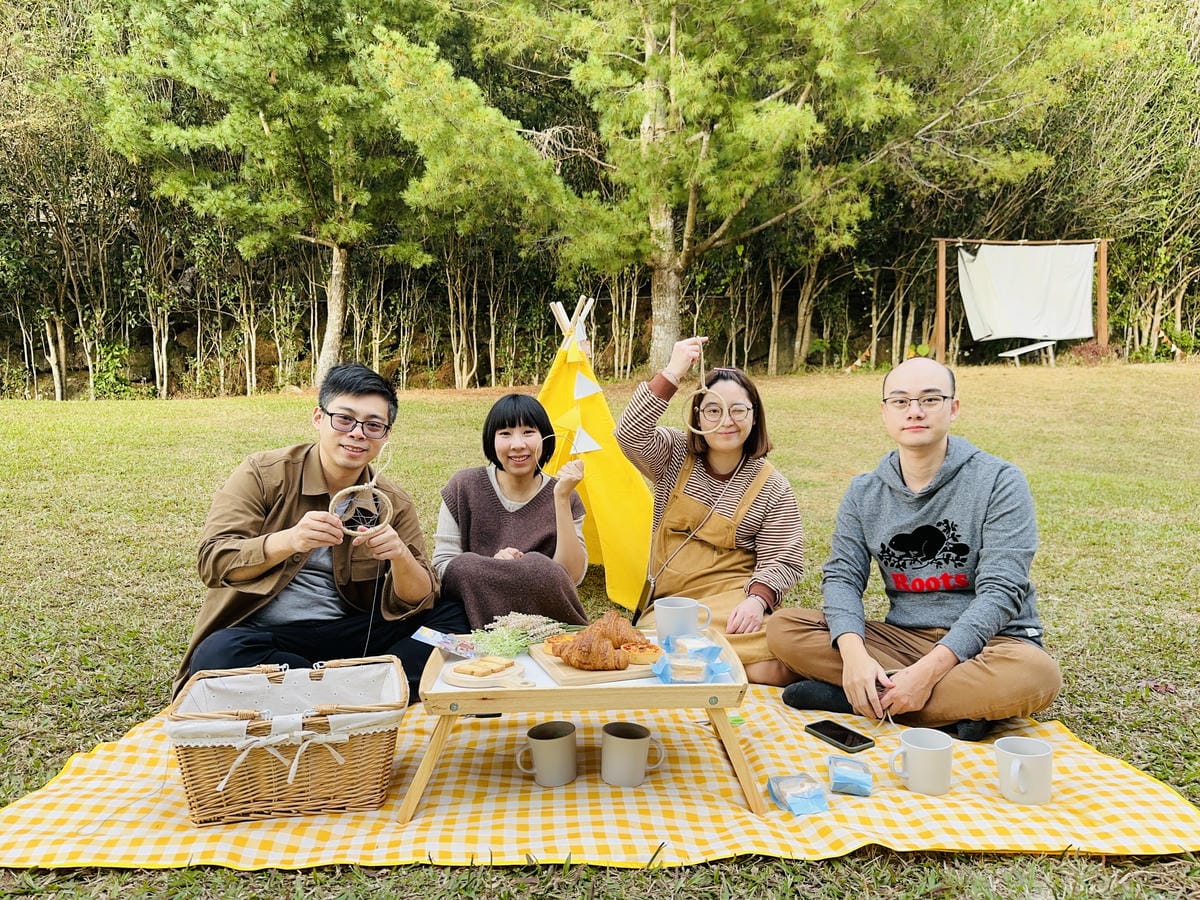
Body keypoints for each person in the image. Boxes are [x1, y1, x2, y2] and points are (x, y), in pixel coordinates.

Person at [766, 357, 1062, 740]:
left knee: (1035, 675)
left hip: (992, 643)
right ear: (885, 412)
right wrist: (855, 657)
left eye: (930, 400)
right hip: (904, 640)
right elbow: (841, 576)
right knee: (785, 627)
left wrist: (930, 671)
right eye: (901, 401)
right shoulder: (865, 491)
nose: (915, 411)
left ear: (953, 408)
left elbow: (1002, 590)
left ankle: (856, 699)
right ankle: (942, 707)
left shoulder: (999, 481)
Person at [176, 362, 468, 700]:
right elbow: (214, 561)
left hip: (351, 634)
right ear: (319, 418)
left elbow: (420, 599)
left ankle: (320, 692)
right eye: (344, 419)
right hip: (266, 636)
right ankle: (368, 690)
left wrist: (400, 556)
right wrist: (291, 539)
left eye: (373, 425)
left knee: (452, 625)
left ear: (385, 436)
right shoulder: (265, 474)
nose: (357, 433)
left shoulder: (391, 502)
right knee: (219, 654)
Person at [615, 336, 805, 685]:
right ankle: (743, 671)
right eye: (714, 409)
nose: (726, 421)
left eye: (738, 410)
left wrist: (756, 601)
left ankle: (733, 669)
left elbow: (785, 559)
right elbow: (629, 434)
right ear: (698, 415)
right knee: (654, 648)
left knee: (785, 644)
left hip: (734, 601)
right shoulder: (672, 453)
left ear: (754, 415)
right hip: (675, 605)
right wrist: (673, 372)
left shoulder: (772, 485)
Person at [432, 393, 589, 629]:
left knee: (541, 567)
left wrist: (561, 498)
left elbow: (569, 576)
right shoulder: (463, 486)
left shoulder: (566, 494)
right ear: (491, 440)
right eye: (505, 433)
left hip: (540, 618)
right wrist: (494, 565)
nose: (517, 444)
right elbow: (444, 567)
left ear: (545, 437)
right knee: (467, 565)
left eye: (528, 432)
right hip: (470, 609)